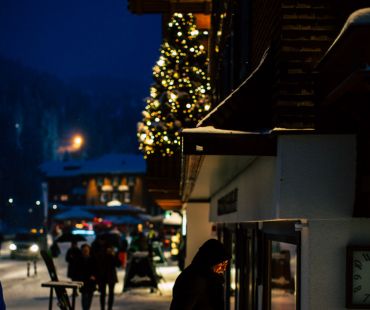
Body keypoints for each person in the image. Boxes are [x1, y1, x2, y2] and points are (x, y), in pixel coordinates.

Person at [170, 239, 230, 310]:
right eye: (221, 264)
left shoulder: (207, 277)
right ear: (211, 261)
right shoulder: (195, 280)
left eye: (225, 264)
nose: (224, 268)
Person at [95, 245, 120, 310]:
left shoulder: (113, 255)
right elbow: (99, 263)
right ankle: (102, 308)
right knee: (102, 294)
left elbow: (118, 264)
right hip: (103, 276)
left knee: (111, 294)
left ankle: (109, 308)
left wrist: (113, 255)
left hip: (111, 276)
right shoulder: (102, 254)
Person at [75, 244, 96, 310]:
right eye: (84, 250)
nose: (85, 251)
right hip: (83, 281)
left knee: (89, 298)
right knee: (84, 297)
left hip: (91, 282)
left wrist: (94, 276)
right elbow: (78, 270)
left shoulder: (92, 259)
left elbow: (96, 269)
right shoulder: (79, 259)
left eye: (87, 250)